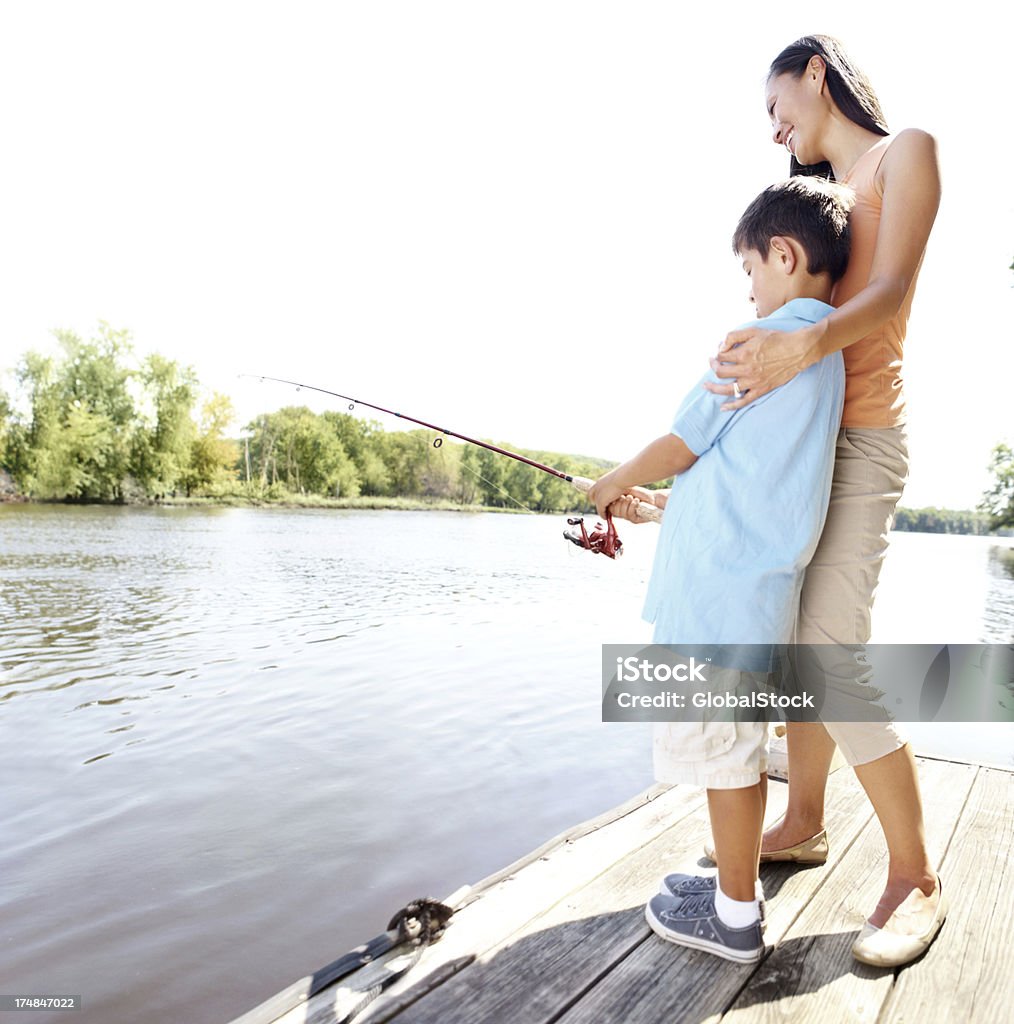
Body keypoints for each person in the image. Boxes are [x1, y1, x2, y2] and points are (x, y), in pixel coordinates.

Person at [612, 35, 946, 968]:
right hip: (805, 440)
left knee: (831, 657)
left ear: (815, 71)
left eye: (775, 108)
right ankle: (800, 819)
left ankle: (916, 875)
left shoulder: (904, 151)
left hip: (865, 438)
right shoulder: (821, 207)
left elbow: (890, 293)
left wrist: (800, 348)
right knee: (787, 649)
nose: (774, 130)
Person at [588, 174, 852, 963]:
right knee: (732, 750)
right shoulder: (826, 358)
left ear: (783, 253)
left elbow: (685, 441)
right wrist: (659, 509)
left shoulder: (755, 346)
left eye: (750, 270)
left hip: (714, 606)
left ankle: (736, 918)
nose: (748, 289)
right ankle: (733, 883)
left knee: (726, 760)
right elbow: (746, 485)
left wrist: (610, 482)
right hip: (754, 596)